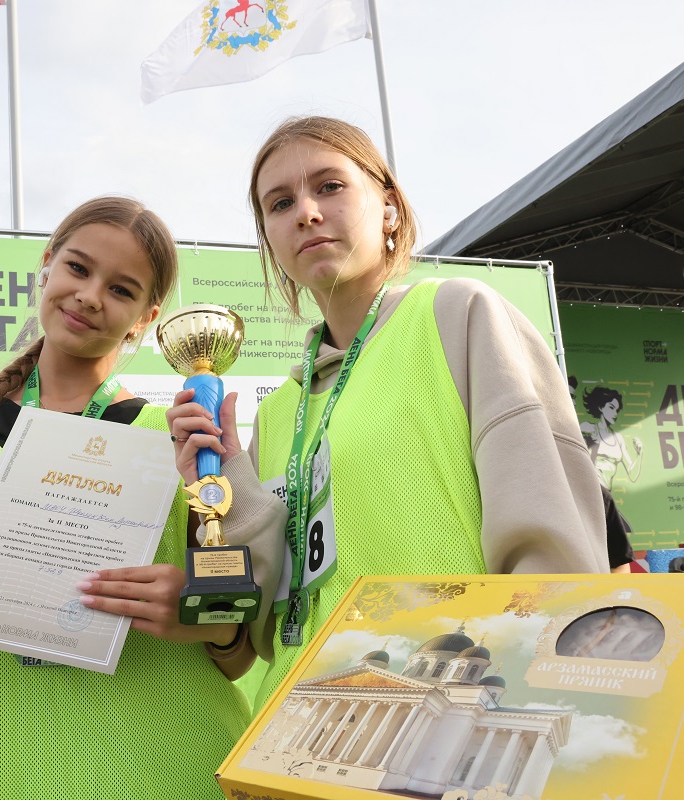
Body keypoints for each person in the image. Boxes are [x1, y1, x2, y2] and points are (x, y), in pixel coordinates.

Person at [166, 116, 610, 709]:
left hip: (445, 714)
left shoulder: (458, 315)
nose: (306, 212)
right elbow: (272, 619)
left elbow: (552, 549)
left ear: (390, 208)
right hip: (304, 717)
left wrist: (518, 696)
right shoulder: (279, 411)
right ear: (269, 238)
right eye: (279, 203)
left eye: (329, 186)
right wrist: (226, 480)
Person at [0, 196, 251, 800]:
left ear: (146, 316)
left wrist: (195, 606)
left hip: (161, 767)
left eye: (121, 289)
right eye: (79, 269)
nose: (89, 296)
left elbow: (237, 640)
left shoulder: (180, 438)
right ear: (47, 265)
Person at [581, 385, 644, 489]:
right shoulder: (588, 428)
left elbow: (632, 474)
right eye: (611, 407)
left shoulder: (618, 439)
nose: (615, 413)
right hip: (588, 491)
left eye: (617, 410)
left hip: (606, 495)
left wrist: (639, 454)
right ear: (600, 407)